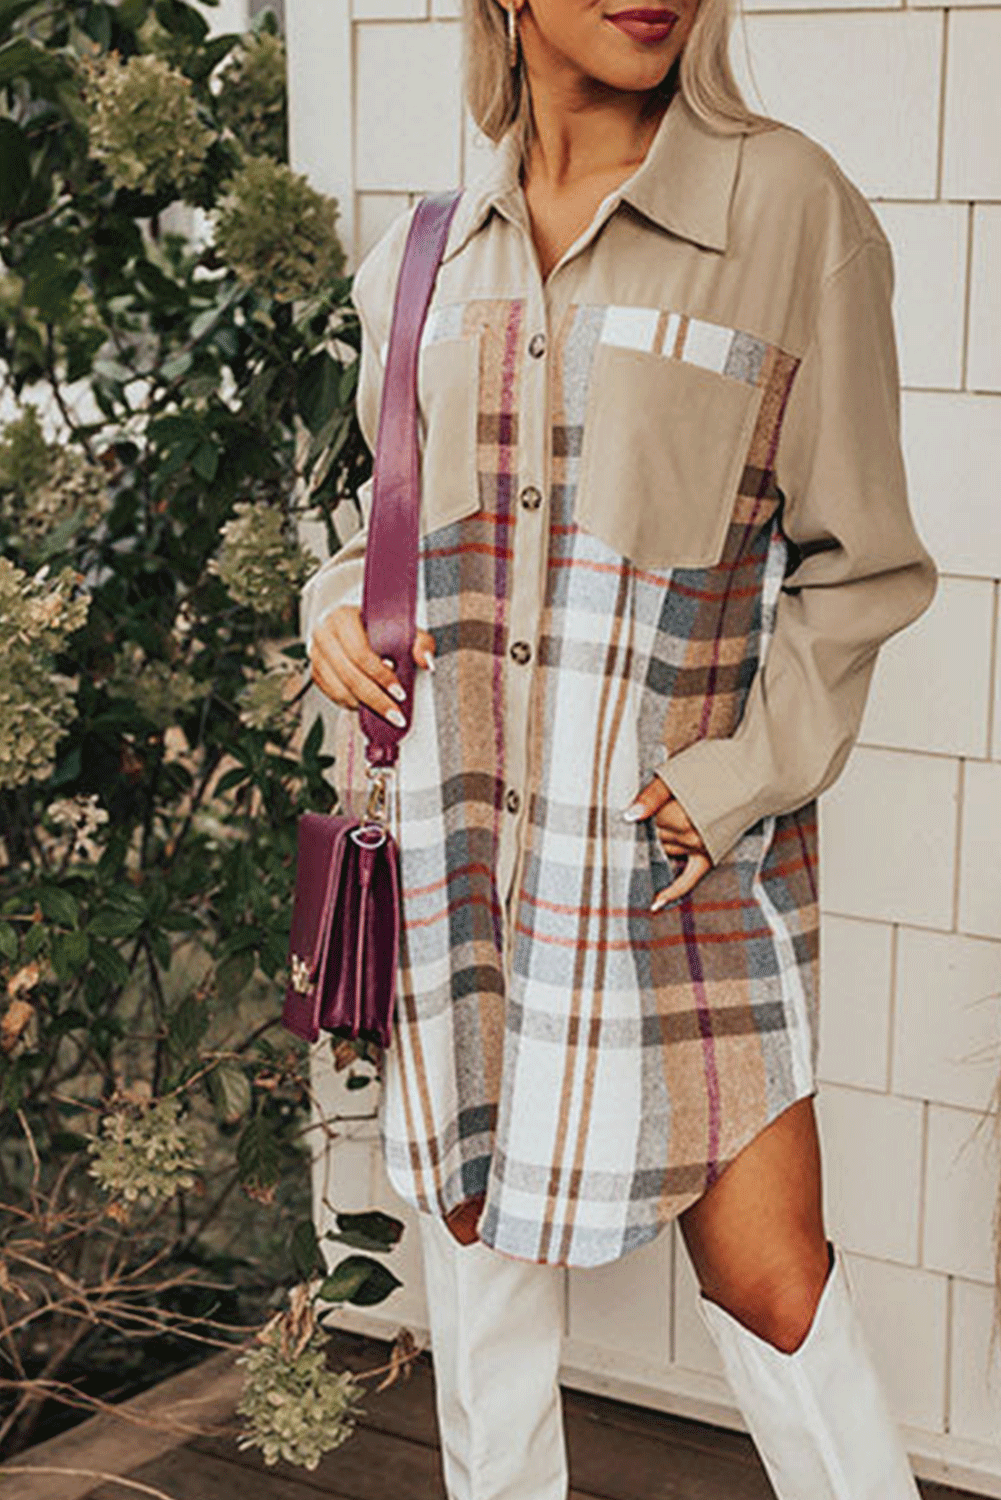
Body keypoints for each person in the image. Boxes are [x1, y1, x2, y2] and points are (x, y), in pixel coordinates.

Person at [302, 0, 939, 1492]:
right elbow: (385, 531)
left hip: (671, 861)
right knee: (478, 1266)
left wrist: (736, 783)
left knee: (775, 1283)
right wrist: (332, 601)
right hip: (463, 855)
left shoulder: (788, 211)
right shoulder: (423, 256)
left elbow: (863, 569)